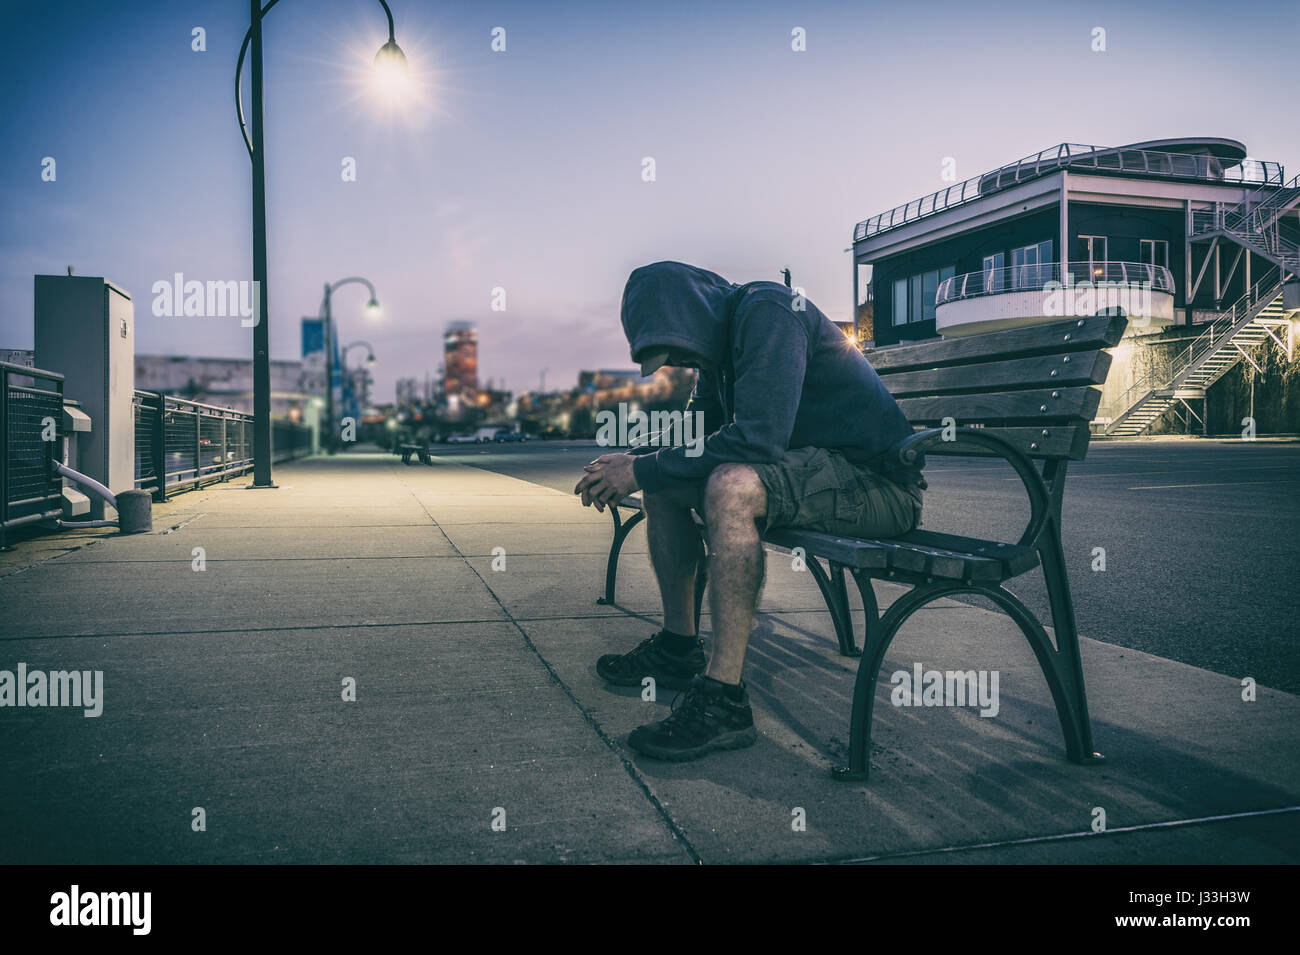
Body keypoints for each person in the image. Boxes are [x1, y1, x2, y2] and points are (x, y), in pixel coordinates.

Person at [574, 261, 924, 761]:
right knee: (665, 483)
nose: (676, 362)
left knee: (731, 486)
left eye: (675, 349)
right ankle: (678, 650)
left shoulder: (769, 311)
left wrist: (642, 467)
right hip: (816, 473)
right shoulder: (721, 348)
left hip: (876, 485)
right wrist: (635, 463)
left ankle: (724, 703)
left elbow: (758, 440)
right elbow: (702, 437)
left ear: (694, 317)